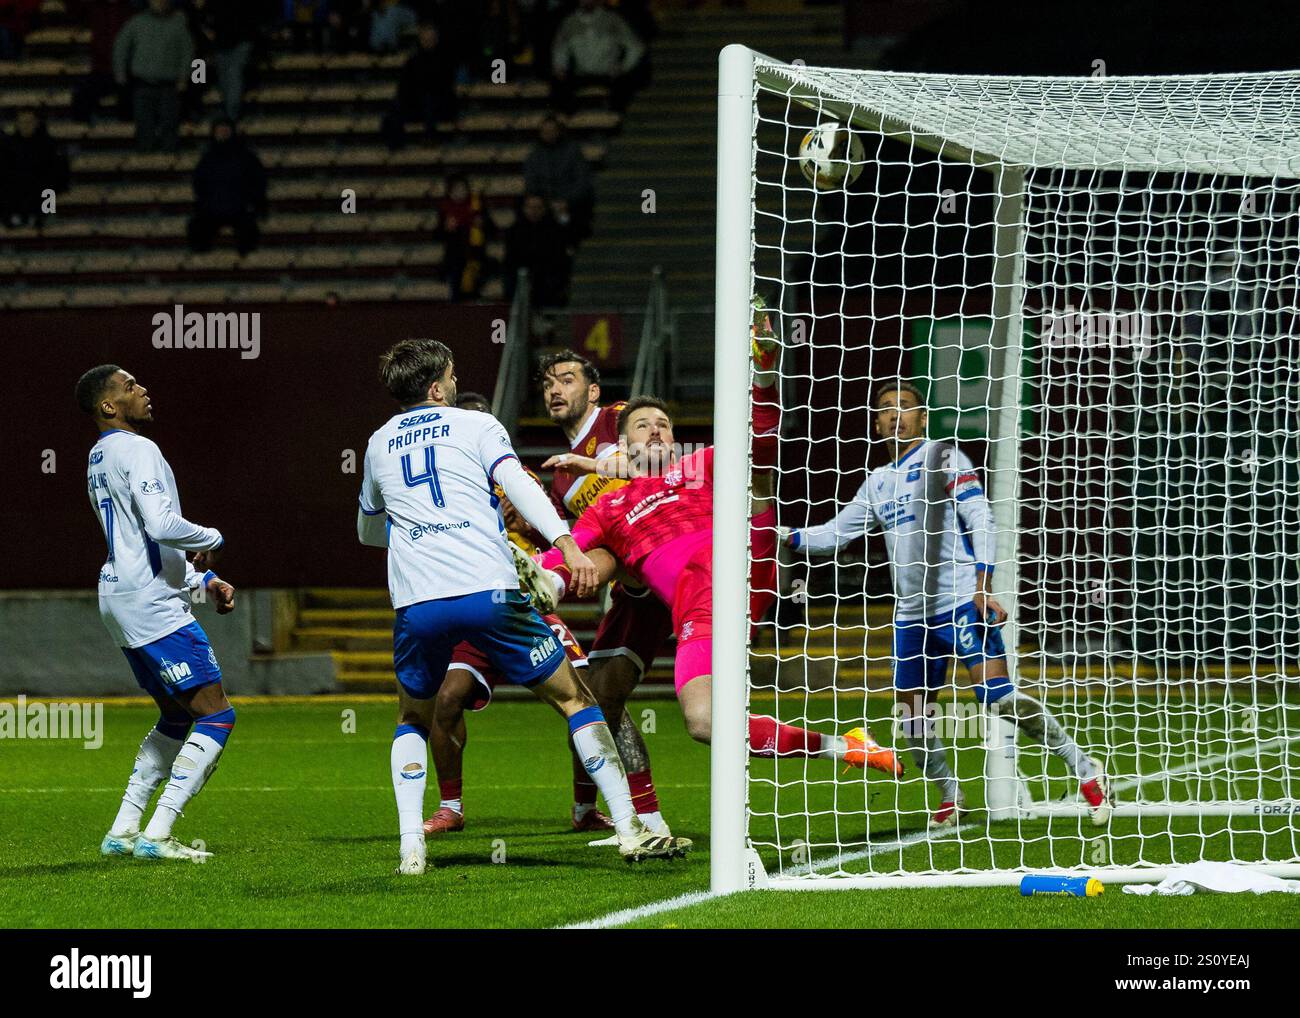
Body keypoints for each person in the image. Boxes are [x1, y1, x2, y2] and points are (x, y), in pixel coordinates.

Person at [356, 338, 692, 874]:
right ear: (439, 386)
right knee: (576, 700)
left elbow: (369, 528)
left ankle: (410, 848)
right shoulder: (476, 425)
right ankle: (630, 830)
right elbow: (517, 484)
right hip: (490, 591)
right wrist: (567, 543)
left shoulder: (376, 443)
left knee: (412, 717)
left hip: (417, 600)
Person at [534, 334, 901, 774]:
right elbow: (571, 550)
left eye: (664, 424)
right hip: (701, 607)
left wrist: (763, 381)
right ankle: (845, 746)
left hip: (743, 563)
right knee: (704, 721)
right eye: (643, 425)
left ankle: (763, 370)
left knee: (757, 472)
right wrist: (538, 572)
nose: (656, 429)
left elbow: (761, 442)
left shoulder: (696, 465)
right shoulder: (609, 507)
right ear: (623, 444)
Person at [782, 380, 1113, 827]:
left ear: (922, 418)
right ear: (876, 424)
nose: (895, 414)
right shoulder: (877, 483)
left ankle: (1084, 767)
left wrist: (983, 582)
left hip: (960, 599)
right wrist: (777, 535)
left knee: (997, 699)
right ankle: (951, 795)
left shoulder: (942, 456)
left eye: (905, 406)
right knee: (912, 720)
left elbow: (979, 514)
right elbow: (833, 536)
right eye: (885, 408)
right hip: (911, 617)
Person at [422, 391, 619, 836]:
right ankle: (450, 806)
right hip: (471, 604)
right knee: (448, 699)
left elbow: (554, 536)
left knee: (583, 695)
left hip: (524, 606)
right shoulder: (441, 482)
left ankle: (584, 808)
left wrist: (524, 523)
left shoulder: (516, 475)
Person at [75, 365, 235, 862]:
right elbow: (161, 524)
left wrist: (201, 581)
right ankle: (159, 831)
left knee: (173, 715)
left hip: (119, 597)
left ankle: (124, 829)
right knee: (217, 716)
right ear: (108, 406)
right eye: (129, 387)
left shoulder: (98, 456)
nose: (142, 390)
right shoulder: (139, 449)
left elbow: (134, 540)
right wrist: (213, 540)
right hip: (150, 603)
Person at [535, 350, 672, 836]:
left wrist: (590, 458)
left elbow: (655, 461)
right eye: (548, 383)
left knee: (709, 710)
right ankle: (637, 816)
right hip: (632, 583)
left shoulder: (621, 418)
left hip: (671, 552)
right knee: (600, 696)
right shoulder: (562, 479)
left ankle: (549, 583)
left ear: (593, 391)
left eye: (567, 380)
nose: (555, 390)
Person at [112, 0, 194, 153]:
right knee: (143, 124)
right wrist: (120, 72)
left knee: (170, 124)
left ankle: (169, 157)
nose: (160, 3)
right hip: (142, 83)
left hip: (169, 85)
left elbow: (187, 53)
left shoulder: (178, 24)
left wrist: (184, 77)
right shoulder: (137, 22)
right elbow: (120, 47)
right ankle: (145, 156)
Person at [187, 118, 267, 256]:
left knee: (248, 231)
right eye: (219, 131)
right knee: (197, 228)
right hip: (212, 208)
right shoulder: (207, 158)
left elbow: (258, 181)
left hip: (239, 207)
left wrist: (252, 202)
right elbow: (198, 183)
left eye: (225, 131)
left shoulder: (246, 157)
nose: (223, 134)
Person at [550, 0, 644, 113]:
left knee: (623, 87)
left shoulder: (612, 20)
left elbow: (635, 46)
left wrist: (624, 67)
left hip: (608, 74)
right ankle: (571, 120)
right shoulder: (570, 22)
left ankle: (614, 119)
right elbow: (560, 48)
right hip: (581, 75)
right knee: (559, 86)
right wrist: (560, 66)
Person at [380, 22, 458, 150]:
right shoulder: (413, 61)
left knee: (429, 100)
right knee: (394, 109)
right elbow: (404, 86)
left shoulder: (444, 60)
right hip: (416, 104)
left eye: (431, 39)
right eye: (425, 39)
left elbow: (445, 86)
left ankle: (430, 137)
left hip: (439, 105)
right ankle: (395, 145)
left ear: (436, 39)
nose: (428, 42)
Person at [523, 115, 594, 240]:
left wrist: (566, 201)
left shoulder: (573, 151)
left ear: (558, 131)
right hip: (544, 204)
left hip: (568, 204)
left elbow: (582, 181)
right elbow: (531, 180)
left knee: (564, 220)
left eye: (551, 131)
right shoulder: (535, 154)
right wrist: (543, 201)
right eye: (545, 132)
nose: (548, 135)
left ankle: (568, 244)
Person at [69, 0, 135, 123]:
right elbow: (74, 9)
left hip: (125, 71)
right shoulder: (95, 8)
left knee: (131, 97)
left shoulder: (129, 10)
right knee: (81, 94)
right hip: (101, 70)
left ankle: (127, 131)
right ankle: (83, 133)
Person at [1, 109, 68, 229]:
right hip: (15, 194)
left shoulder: (49, 145)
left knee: (48, 189)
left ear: (36, 123)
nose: (25, 126)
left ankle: (42, 217)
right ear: (16, 124)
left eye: (29, 122)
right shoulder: (8, 146)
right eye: (22, 122)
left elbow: (58, 174)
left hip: (43, 192)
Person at [503, 193, 573, 307]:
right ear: (524, 208)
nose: (533, 211)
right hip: (520, 283)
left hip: (548, 285)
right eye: (530, 207)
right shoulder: (514, 232)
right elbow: (510, 262)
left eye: (538, 207)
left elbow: (561, 262)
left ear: (544, 209)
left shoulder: (555, 232)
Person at [434, 174, 491, 300]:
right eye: (456, 189)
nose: (460, 192)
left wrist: (483, 224)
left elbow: (492, 230)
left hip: (476, 258)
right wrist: (446, 229)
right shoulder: (445, 209)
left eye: (462, 189)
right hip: (454, 260)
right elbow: (437, 236)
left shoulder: (477, 206)